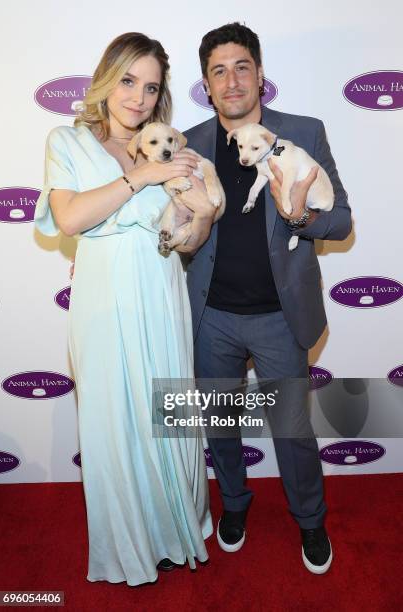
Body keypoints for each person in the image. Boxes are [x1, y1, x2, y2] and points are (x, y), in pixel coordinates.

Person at [34, 32, 216, 587]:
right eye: (129, 80)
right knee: (115, 421)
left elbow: (187, 238)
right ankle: (132, 545)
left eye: (151, 87)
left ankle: (173, 532)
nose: (138, 97)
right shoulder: (66, 139)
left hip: (160, 285)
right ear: (108, 77)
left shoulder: (168, 146)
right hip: (103, 291)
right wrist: (141, 177)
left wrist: (199, 218)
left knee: (168, 413)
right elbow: (69, 219)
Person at [182, 23, 352, 574]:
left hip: (281, 317)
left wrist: (299, 215)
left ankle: (310, 520)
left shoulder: (303, 131)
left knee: (294, 432)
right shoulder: (188, 144)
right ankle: (234, 507)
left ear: (260, 75)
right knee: (221, 427)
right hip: (211, 318)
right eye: (218, 71)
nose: (232, 80)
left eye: (242, 67)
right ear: (206, 84)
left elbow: (342, 220)